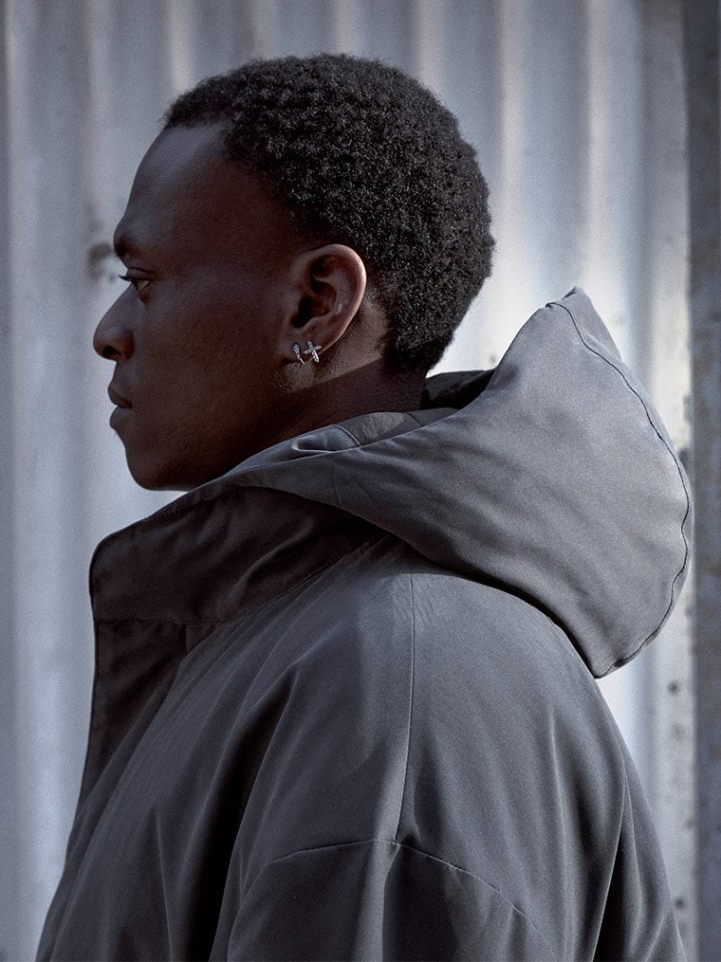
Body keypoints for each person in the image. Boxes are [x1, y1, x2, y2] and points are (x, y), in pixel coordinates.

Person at [37, 54, 690, 961]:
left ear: (316, 306)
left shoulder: (399, 684)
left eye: (142, 279)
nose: (109, 332)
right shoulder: (299, 642)